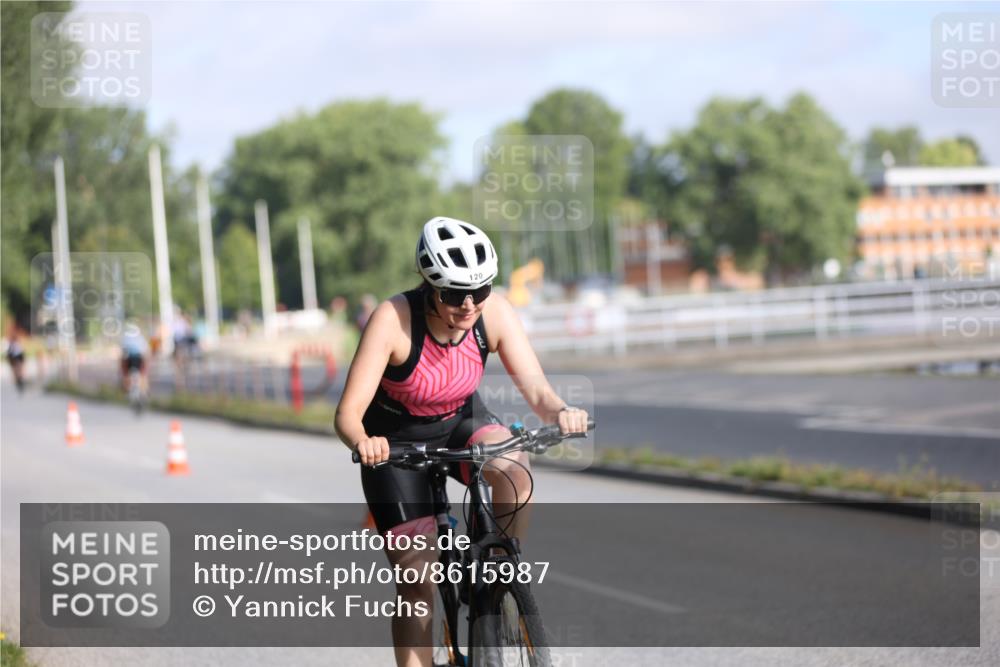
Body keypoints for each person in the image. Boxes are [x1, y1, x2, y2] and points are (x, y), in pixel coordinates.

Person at [334, 216, 589, 667]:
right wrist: (365, 442)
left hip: (460, 420)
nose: (469, 304)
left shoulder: (494, 314)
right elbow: (348, 415)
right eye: (454, 294)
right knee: (416, 581)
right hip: (395, 444)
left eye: (481, 290)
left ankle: (496, 575)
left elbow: (538, 392)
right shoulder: (393, 320)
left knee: (516, 471)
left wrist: (561, 412)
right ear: (429, 285)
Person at [120, 325, 150, 395]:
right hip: (138, 359)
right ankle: (143, 390)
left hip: (131, 359)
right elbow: (146, 351)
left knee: (127, 374)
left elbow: (123, 352)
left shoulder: (126, 338)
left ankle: (128, 389)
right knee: (143, 374)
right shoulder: (140, 338)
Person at [5, 327, 27, 393]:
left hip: (18, 357)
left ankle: (20, 382)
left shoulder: (18, 342)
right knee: (16, 372)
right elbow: (9, 352)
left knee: (19, 371)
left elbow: (21, 352)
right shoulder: (11, 343)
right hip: (13, 357)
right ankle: (19, 382)